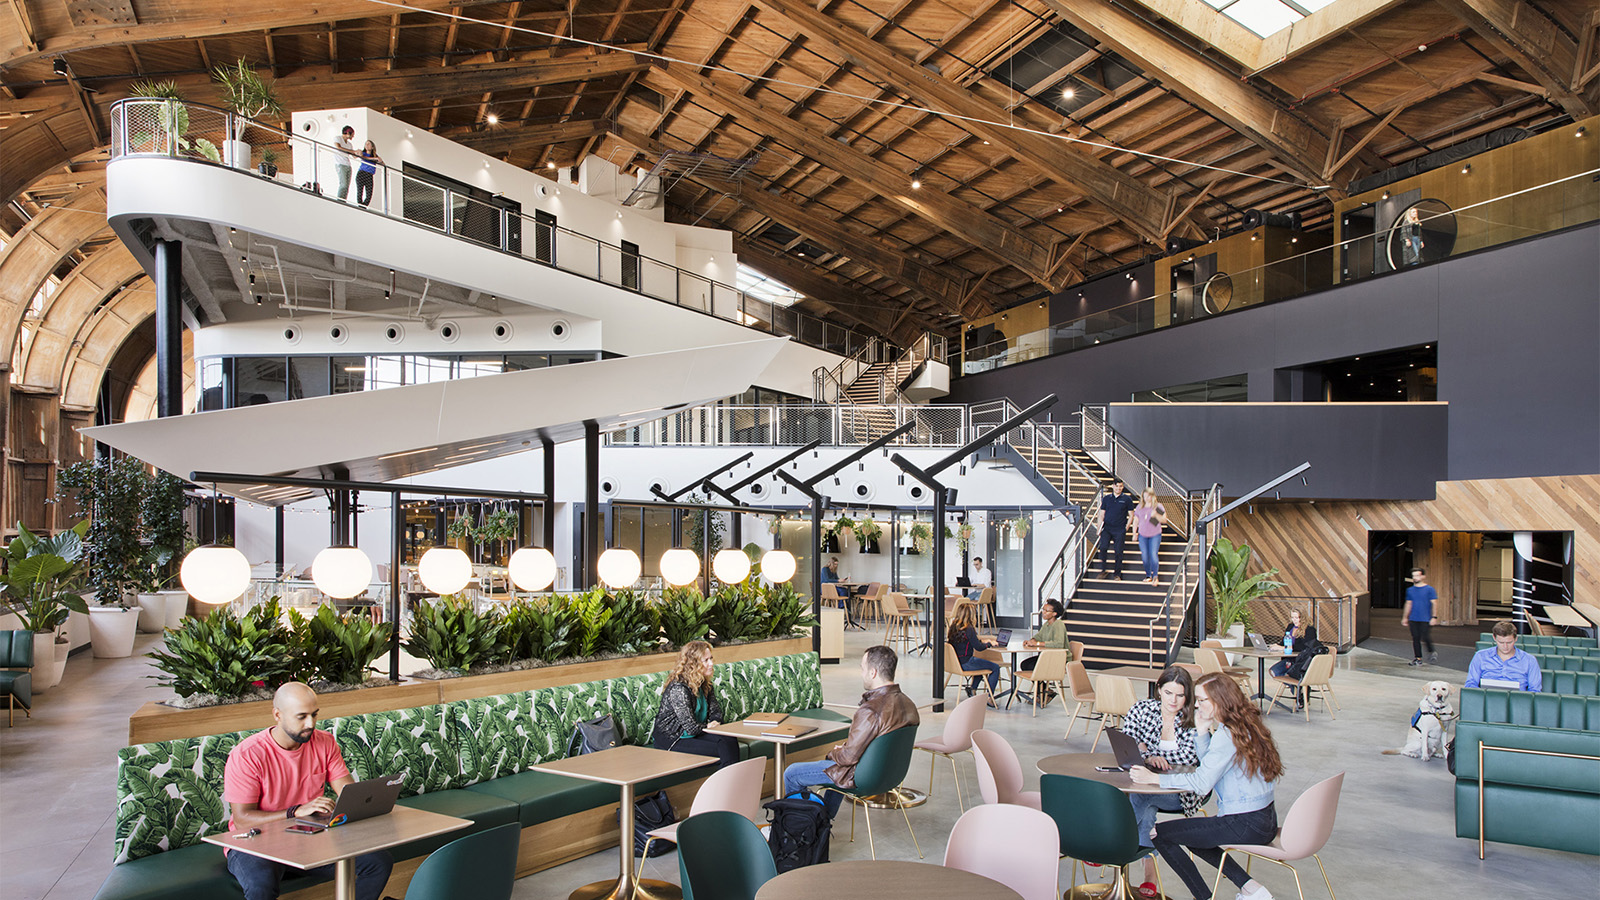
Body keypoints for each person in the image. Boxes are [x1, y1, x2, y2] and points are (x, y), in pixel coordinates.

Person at [223, 683, 393, 900]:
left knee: (378, 862)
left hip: (310, 837)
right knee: (261, 887)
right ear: (278, 715)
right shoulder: (247, 755)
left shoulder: (325, 742)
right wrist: (295, 811)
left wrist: (366, 802)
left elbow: (348, 792)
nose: (310, 723)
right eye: (301, 716)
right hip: (255, 843)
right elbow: (243, 820)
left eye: (314, 715)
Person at [1132, 673, 1282, 900]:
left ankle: (1204, 897)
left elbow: (1202, 783)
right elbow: (1213, 764)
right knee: (1191, 834)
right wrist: (1202, 732)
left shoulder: (1227, 735)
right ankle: (1252, 889)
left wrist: (1155, 779)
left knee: (1159, 835)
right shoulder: (1244, 726)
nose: (1197, 705)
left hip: (1243, 823)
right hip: (1264, 819)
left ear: (1219, 700)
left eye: (1202, 700)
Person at [782, 645, 919, 816]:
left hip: (863, 777)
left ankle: (798, 827)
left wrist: (836, 753)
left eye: (863, 668)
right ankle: (823, 821)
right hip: (890, 776)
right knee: (838, 769)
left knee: (792, 773)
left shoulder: (871, 710)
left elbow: (848, 758)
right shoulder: (909, 704)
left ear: (873, 672)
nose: (861, 673)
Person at [1123, 667, 1202, 899]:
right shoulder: (1142, 709)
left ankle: (1114, 842)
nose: (1173, 701)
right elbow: (1127, 740)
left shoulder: (1195, 718)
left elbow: (1188, 760)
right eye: (1168, 693)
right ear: (1159, 690)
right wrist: (1147, 756)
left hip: (1180, 790)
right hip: (1144, 782)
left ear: (1188, 695)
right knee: (1146, 808)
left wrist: (1149, 752)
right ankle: (1150, 875)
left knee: (1142, 795)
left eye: (1180, 695)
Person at [650, 640, 739, 769]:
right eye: (706, 660)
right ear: (693, 664)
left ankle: (731, 784)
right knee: (723, 747)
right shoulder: (678, 688)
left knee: (730, 740)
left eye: (711, 659)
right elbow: (690, 727)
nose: (711, 664)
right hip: (674, 739)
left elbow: (716, 712)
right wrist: (708, 726)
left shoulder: (704, 684)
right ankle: (733, 785)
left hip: (697, 733)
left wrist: (715, 722)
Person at [947, 602, 1002, 703]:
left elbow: (967, 642)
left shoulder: (953, 627)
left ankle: (973, 689)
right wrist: (989, 644)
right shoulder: (969, 629)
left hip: (955, 663)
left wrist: (982, 641)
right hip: (966, 663)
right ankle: (989, 697)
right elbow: (978, 648)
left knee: (981, 664)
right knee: (995, 668)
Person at [1465, 620, 1543, 691]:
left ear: (1516, 639)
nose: (1505, 647)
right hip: (1487, 700)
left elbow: (1535, 690)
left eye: (1509, 642)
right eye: (1501, 642)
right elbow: (1470, 684)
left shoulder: (1529, 660)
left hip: (1517, 702)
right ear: (1494, 638)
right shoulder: (1481, 656)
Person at [1095, 479, 1138, 580]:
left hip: (1119, 529)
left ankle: (1117, 574)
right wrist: (1098, 528)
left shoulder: (1127, 499)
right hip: (1107, 528)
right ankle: (1103, 570)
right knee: (1103, 548)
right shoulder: (1106, 499)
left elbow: (1131, 515)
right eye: (1117, 486)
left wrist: (1126, 528)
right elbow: (1102, 514)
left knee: (1118, 552)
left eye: (1121, 486)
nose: (1119, 488)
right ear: (1113, 486)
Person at [1019, 599, 1069, 672]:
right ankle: (1041, 684)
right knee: (1024, 664)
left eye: (1047, 611)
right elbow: (1037, 637)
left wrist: (1037, 644)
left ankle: (1040, 683)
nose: (1043, 612)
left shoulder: (1058, 624)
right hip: (1049, 655)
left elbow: (1058, 644)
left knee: (1030, 666)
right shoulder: (1046, 625)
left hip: (1059, 658)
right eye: (1043, 610)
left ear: (1054, 613)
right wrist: (1031, 642)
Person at [1402, 567, 1438, 666]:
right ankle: (1418, 658)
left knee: (1425, 636)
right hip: (1413, 618)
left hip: (1426, 618)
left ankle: (1431, 651)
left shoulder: (1430, 589)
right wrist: (1405, 617)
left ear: (1423, 576)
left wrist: (1434, 617)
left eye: (1417, 575)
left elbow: (1434, 603)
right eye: (1413, 576)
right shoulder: (1410, 590)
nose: (1415, 578)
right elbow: (1408, 603)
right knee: (1416, 638)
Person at [1268, 608, 1317, 678]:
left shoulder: (1309, 630)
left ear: (1303, 618)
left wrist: (1283, 648)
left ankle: (1296, 685)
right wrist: (1276, 646)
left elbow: (1305, 647)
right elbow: (1284, 642)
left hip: (1300, 660)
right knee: (1274, 671)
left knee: (1276, 671)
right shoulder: (1290, 626)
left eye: (1297, 618)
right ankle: (1296, 686)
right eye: (1292, 617)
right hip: (1288, 658)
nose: (1294, 620)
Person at [1133, 489, 1167, 583]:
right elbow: (1136, 520)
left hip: (1155, 534)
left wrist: (1156, 515)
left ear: (1152, 496)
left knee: (1153, 554)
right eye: (1145, 496)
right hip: (1143, 535)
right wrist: (1134, 533)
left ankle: (1155, 575)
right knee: (1144, 556)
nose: (1147, 498)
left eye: (1149, 496)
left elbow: (1164, 520)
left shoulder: (1157, 506)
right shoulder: (1140, 507)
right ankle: (1148, 575)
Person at [355, 140, 383, 208]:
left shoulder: (375, 156)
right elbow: (363, 157)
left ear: (372, 147)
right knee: (359, 192)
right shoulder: (363, 153)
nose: (367, 145)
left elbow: (383, 164)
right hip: (361, 173)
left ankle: (363, 206)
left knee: (369, 194)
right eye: (365, 144)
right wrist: (375, 158)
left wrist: (380, 160)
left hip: (369, 175)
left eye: (368, 144)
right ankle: (360, 205)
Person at [332, 126, 356, 202]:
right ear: (348, 133)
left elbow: (354, 156)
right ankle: (339, 201)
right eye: (352, 134)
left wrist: (359, 153)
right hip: (340, 164)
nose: (353, 136)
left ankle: (343, 201)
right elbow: (338, 147)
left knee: (347, 187)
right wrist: (352, 151)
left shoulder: (349, 144)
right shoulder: (338, 138)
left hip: (348, 165)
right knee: (343, 185)